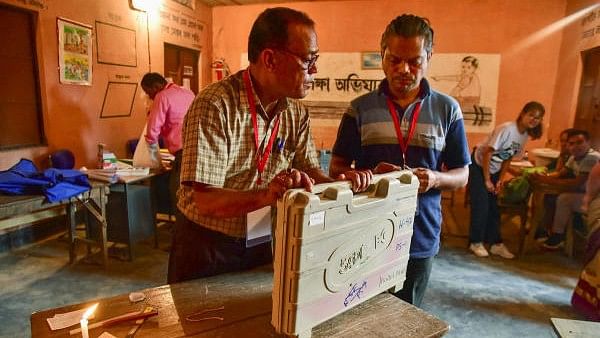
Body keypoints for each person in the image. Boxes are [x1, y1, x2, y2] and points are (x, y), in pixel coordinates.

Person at [169, 7, 341, 284]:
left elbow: (309, 170)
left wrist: (343, 184)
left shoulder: (296, 113)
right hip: (208, 244)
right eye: (308, 60)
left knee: (257, 321)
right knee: (201, 324)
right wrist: (267, 195)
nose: (315, 70)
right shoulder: (216, 105)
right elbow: (206, 201)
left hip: (261, 235)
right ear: (270, 59)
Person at [329, 14, 470, 307]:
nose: (403, 69)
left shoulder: (448, 109)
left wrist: (435, 178)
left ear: (429, 56)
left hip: (420, 236)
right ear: (382, 56)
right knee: (361, 313)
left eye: (415, 61)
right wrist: (359, 176)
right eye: (394, 60)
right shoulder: (359, 110)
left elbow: (462, 174)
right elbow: (337, 168)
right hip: (367, 236)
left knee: (408, 314)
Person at [468, 101, 545, 259]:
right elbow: (489, 153)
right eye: (531, 115)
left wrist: (499, 180)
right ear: (523, 113)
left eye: (538, 118)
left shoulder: (524, 136)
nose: (533, 120)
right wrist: (487, 179)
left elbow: (508, 158)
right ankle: (475, 242)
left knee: (494, 207)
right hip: (479, 164)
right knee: (481, 204)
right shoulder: (507, 129)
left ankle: (495, 243)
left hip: (495, 169)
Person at [530, 129, 600, 249]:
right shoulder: (574, 157)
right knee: (550, 197)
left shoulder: (592, 158)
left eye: (579, 142)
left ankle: (558, 236)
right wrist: (543, 177)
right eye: (571, 144)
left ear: (588, 142)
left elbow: (577, 183)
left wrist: (546, 180)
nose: (575, 147)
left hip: (595, 199)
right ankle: (544, 229)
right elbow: (561, 173)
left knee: (564, 199)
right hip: (586, 194)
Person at [140, 72, 195, 212]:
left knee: (178, 194)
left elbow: (152, 132)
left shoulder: (162, 96)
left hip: (183, 154)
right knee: (194, 196)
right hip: (199, 149)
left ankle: (181, 231)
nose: (149, 96)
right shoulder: (188, 93)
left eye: (148, 92)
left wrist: (154, 160)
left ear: (156, 86)